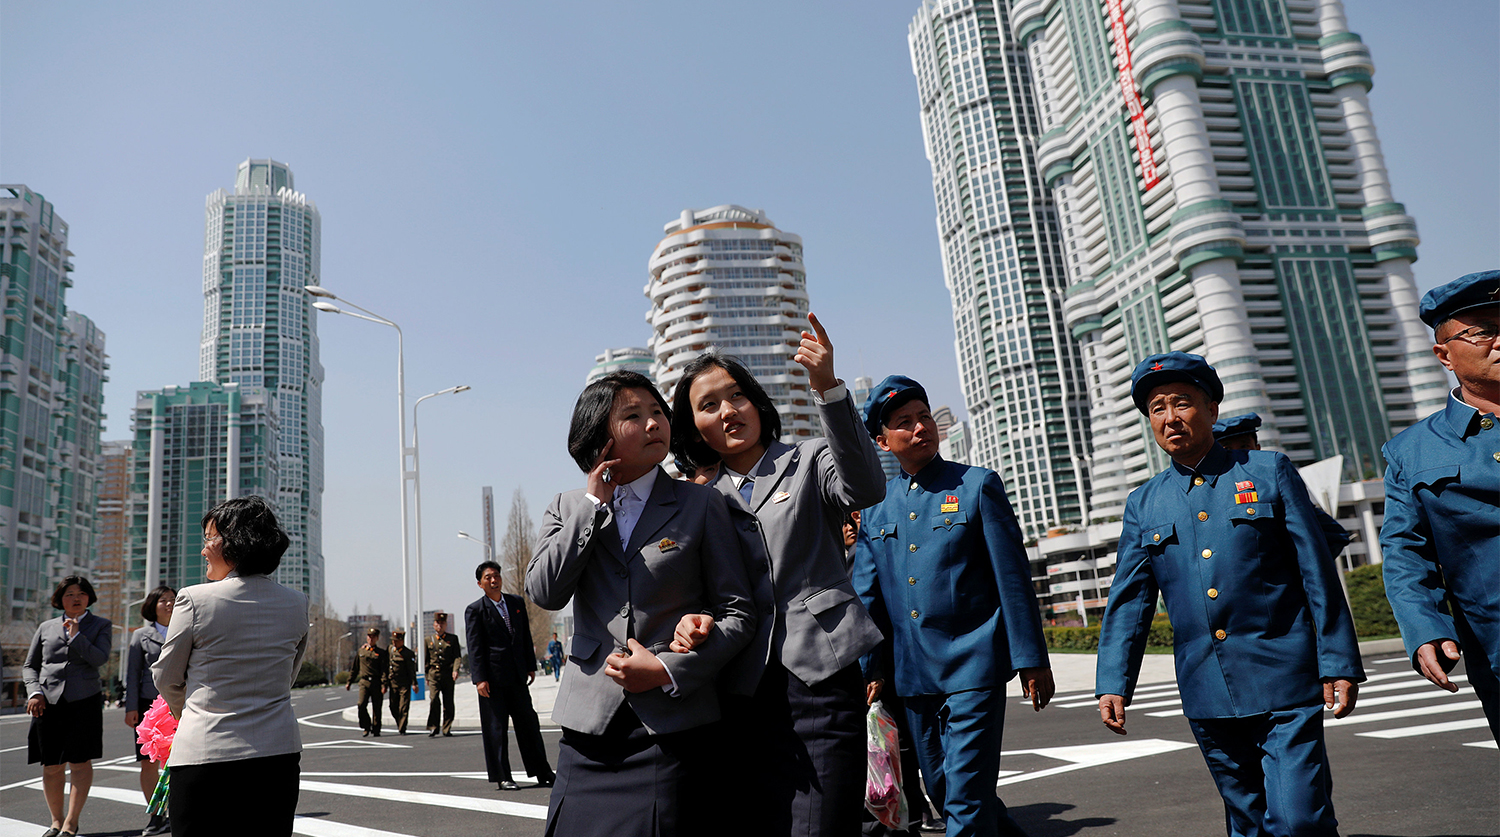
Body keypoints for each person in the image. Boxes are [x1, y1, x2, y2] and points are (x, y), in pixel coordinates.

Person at [1096, 352, 1364, 837]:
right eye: (1157, 408)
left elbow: (1316, 573)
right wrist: (1114, 680)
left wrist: (1339, 662)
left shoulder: (1268, 471)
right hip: (1206, 687)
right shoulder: (1144, 502)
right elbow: (1130, 601)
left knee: (1300, 819)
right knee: (1247, 823)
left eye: (1182, 403)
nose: (1170, 417)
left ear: (1212, 410)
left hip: (1285, 677)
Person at [667, 312, 887, 837]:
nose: (726, 411)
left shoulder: (810, 459)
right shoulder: (696, 500)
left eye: (736, 395)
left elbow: (865, 488)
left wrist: (828, 388)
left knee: (821, 827)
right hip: (737, 693)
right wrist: (691, 622)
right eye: (708, 405)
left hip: (820, 678)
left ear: (758, 403)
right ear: (693, 425)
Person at [528, 370, 757, 837]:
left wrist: (670, 668)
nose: (654, 423)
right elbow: (545, 591)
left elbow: (739, 614)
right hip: (588, 729)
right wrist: (594, 504)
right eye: (633, 415)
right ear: (598, 436)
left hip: (671, 728)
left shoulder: (702, 504)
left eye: (657, 412)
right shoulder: (569, 505)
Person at [852, 376, 1054, 837]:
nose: (920, 427)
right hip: (913, 674)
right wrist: (871, 668)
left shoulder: (976, 486)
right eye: (904, 422)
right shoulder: (877, 509)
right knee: (946, 791)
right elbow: (868, 596)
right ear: (883, 441)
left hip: (973, 666)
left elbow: (1013, 578)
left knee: (964, 797)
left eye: (924, 416)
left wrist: (1031, 658)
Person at [1380, 268, 1499, 741]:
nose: (1499, 340)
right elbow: (1406, 553)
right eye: (1484, 330)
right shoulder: (1412, 452)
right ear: (1443, 355)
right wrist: (1424, 626)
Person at [152, 496, 309, 837]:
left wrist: (188, 712)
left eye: (208, 539)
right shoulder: (297, 603)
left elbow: (166, 677)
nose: (204, 550)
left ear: (234, 542)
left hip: (205, 757)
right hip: (277, 756)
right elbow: (288, 677)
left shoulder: (194, 599)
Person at [24, 575, 111, 837]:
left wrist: (77, 637)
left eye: (81, 593)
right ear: (60, 599)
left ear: (89, 598)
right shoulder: (46, 626)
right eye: (69, 594)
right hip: (47, 703)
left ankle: (71, 823)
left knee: (80, 763)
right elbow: (30, 665)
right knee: (51, 765)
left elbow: (99, 658)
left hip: (84, 702)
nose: (76, 598)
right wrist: (34, 692)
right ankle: (56, 821)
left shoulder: (100, 625)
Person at [466, 561, 555, 791]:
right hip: (492, 681)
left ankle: (542, 771)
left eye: (496, 575)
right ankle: (503, 776)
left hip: (517, 677)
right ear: (480, 584)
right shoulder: (476, 610)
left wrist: (529, 665)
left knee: (529, 724)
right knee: (496, 729)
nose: (494, 580)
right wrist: (479, 679)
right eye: (488, 578)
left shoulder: (515, 603)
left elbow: (524, 636)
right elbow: (475, 647)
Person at [1212, 412, 1353, 557]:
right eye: (1227, 449)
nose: (1237, 456)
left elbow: (1334, 535)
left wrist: (1288, 570)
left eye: (1244, 447)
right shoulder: (1210, 493)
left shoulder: (1274, 488)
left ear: (1258, 449)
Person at [125, 585, 176, 836]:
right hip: (148, 706)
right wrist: (131, 707)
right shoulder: (140, 635)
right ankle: (156, 815)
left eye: (173, 600)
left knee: (181, 760)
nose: (169, 604)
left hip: (180, 703)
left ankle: (178, 812)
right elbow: (132, 673)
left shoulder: (186, 628)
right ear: (152, 606)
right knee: (148, 762)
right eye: (163, 600)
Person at [425, 611, 462, 737]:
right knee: (434, 699)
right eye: (438, 623)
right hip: (434, 674)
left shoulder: (453, 639)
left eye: (442, 623)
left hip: (447, 674)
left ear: (446, 625)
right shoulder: (428, 640)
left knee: (448, 702)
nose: (440, 626)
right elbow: (425, 660)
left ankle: (446, 727)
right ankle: (433, 726)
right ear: (434, 625)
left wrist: (455, 670)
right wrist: (426, 676)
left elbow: (457, 656)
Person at [346, 628, 388, 737]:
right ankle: (366, 726)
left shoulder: (381, 653)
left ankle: (376, 728)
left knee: (377, 707)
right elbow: (354, 668)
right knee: (361, 704)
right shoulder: (361, 651)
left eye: (373, 636)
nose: (371, 638)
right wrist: (349, 681)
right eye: (369, 636)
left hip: (376, 682)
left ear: (377, 638)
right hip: (364, 682)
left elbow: (384, 670)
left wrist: (384, 684)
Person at [386, 628, 417, 735]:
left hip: (404, 683)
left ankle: (402, 727)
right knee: (393, 706)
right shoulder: (390, 650)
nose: (394, 642)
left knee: (403, 706)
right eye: (393, 640)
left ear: (402, 641)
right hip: (393, 683)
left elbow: (411, 670)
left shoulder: (408, 653)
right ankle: (399, 722)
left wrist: (414, 683)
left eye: (396, 640)